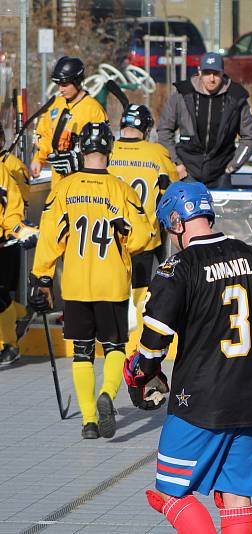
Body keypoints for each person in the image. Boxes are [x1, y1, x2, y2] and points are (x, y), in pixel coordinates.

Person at [125, 181, 252, 534]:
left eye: (170, 228)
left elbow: (155, 339)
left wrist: (143, 371)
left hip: (199, 401)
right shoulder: (251, 255)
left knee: (169, 493)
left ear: (178, 222)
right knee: (236, 498)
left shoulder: (176, 267)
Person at [29, 121, 152, 439]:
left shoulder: (64, 188)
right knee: (114, 347)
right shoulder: (121, 189)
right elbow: (141, 236)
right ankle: (108, 394)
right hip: (111, 282)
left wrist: (41, 278)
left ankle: (89, 421)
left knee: (82, 352)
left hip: (76, 283)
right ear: (109, 149)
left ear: (81, 149)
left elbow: (49, 238)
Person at [108, 104, 179, 328]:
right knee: (141, 290)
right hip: (144, 236)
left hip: (110, 235)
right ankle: (142, 337)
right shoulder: (156, 153)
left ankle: (113, 336)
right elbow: (171, 190)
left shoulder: (108, 152)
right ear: (146, 128)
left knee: (112, 289)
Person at [157, 52, 252, 188]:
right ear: (199, 72)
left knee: (219, 210)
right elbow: (164, 130)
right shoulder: (182, 94)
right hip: (186, 172)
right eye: (207, 73)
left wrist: (231, 167)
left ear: (222, 73)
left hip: (221, 172)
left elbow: (250, 137)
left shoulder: (236, 97)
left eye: (216, 74)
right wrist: (176, 163)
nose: (211, 79)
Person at [31, 56, 108, 188]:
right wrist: (39, 159)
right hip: (58, 182)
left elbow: (104, 149)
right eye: (59, 84)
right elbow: (45, 135)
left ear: (77, 81)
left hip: (82, 182)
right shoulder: (55, 104)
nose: (61, 89)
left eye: (65, 84)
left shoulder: (94, 110)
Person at [0, 164, 37, 365]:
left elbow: (12, 210)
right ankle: (23, 315)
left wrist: (18, 230)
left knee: (1, 297)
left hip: (3, 245)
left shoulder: (3, 171)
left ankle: (9, 345)